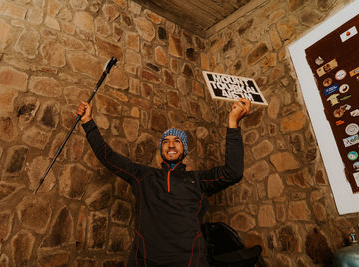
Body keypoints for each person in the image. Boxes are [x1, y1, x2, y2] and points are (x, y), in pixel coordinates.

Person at [77, 98, 251, 266]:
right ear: (161, 150)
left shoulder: (199, 180)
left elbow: (233, 172)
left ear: (184, 150)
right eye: (166, 142)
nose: (171, 145)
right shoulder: (143, 176)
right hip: (145, 261)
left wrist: (233, 122)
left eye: (177, 141)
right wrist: (88, 122)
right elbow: (109, 157)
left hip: (189, 261)